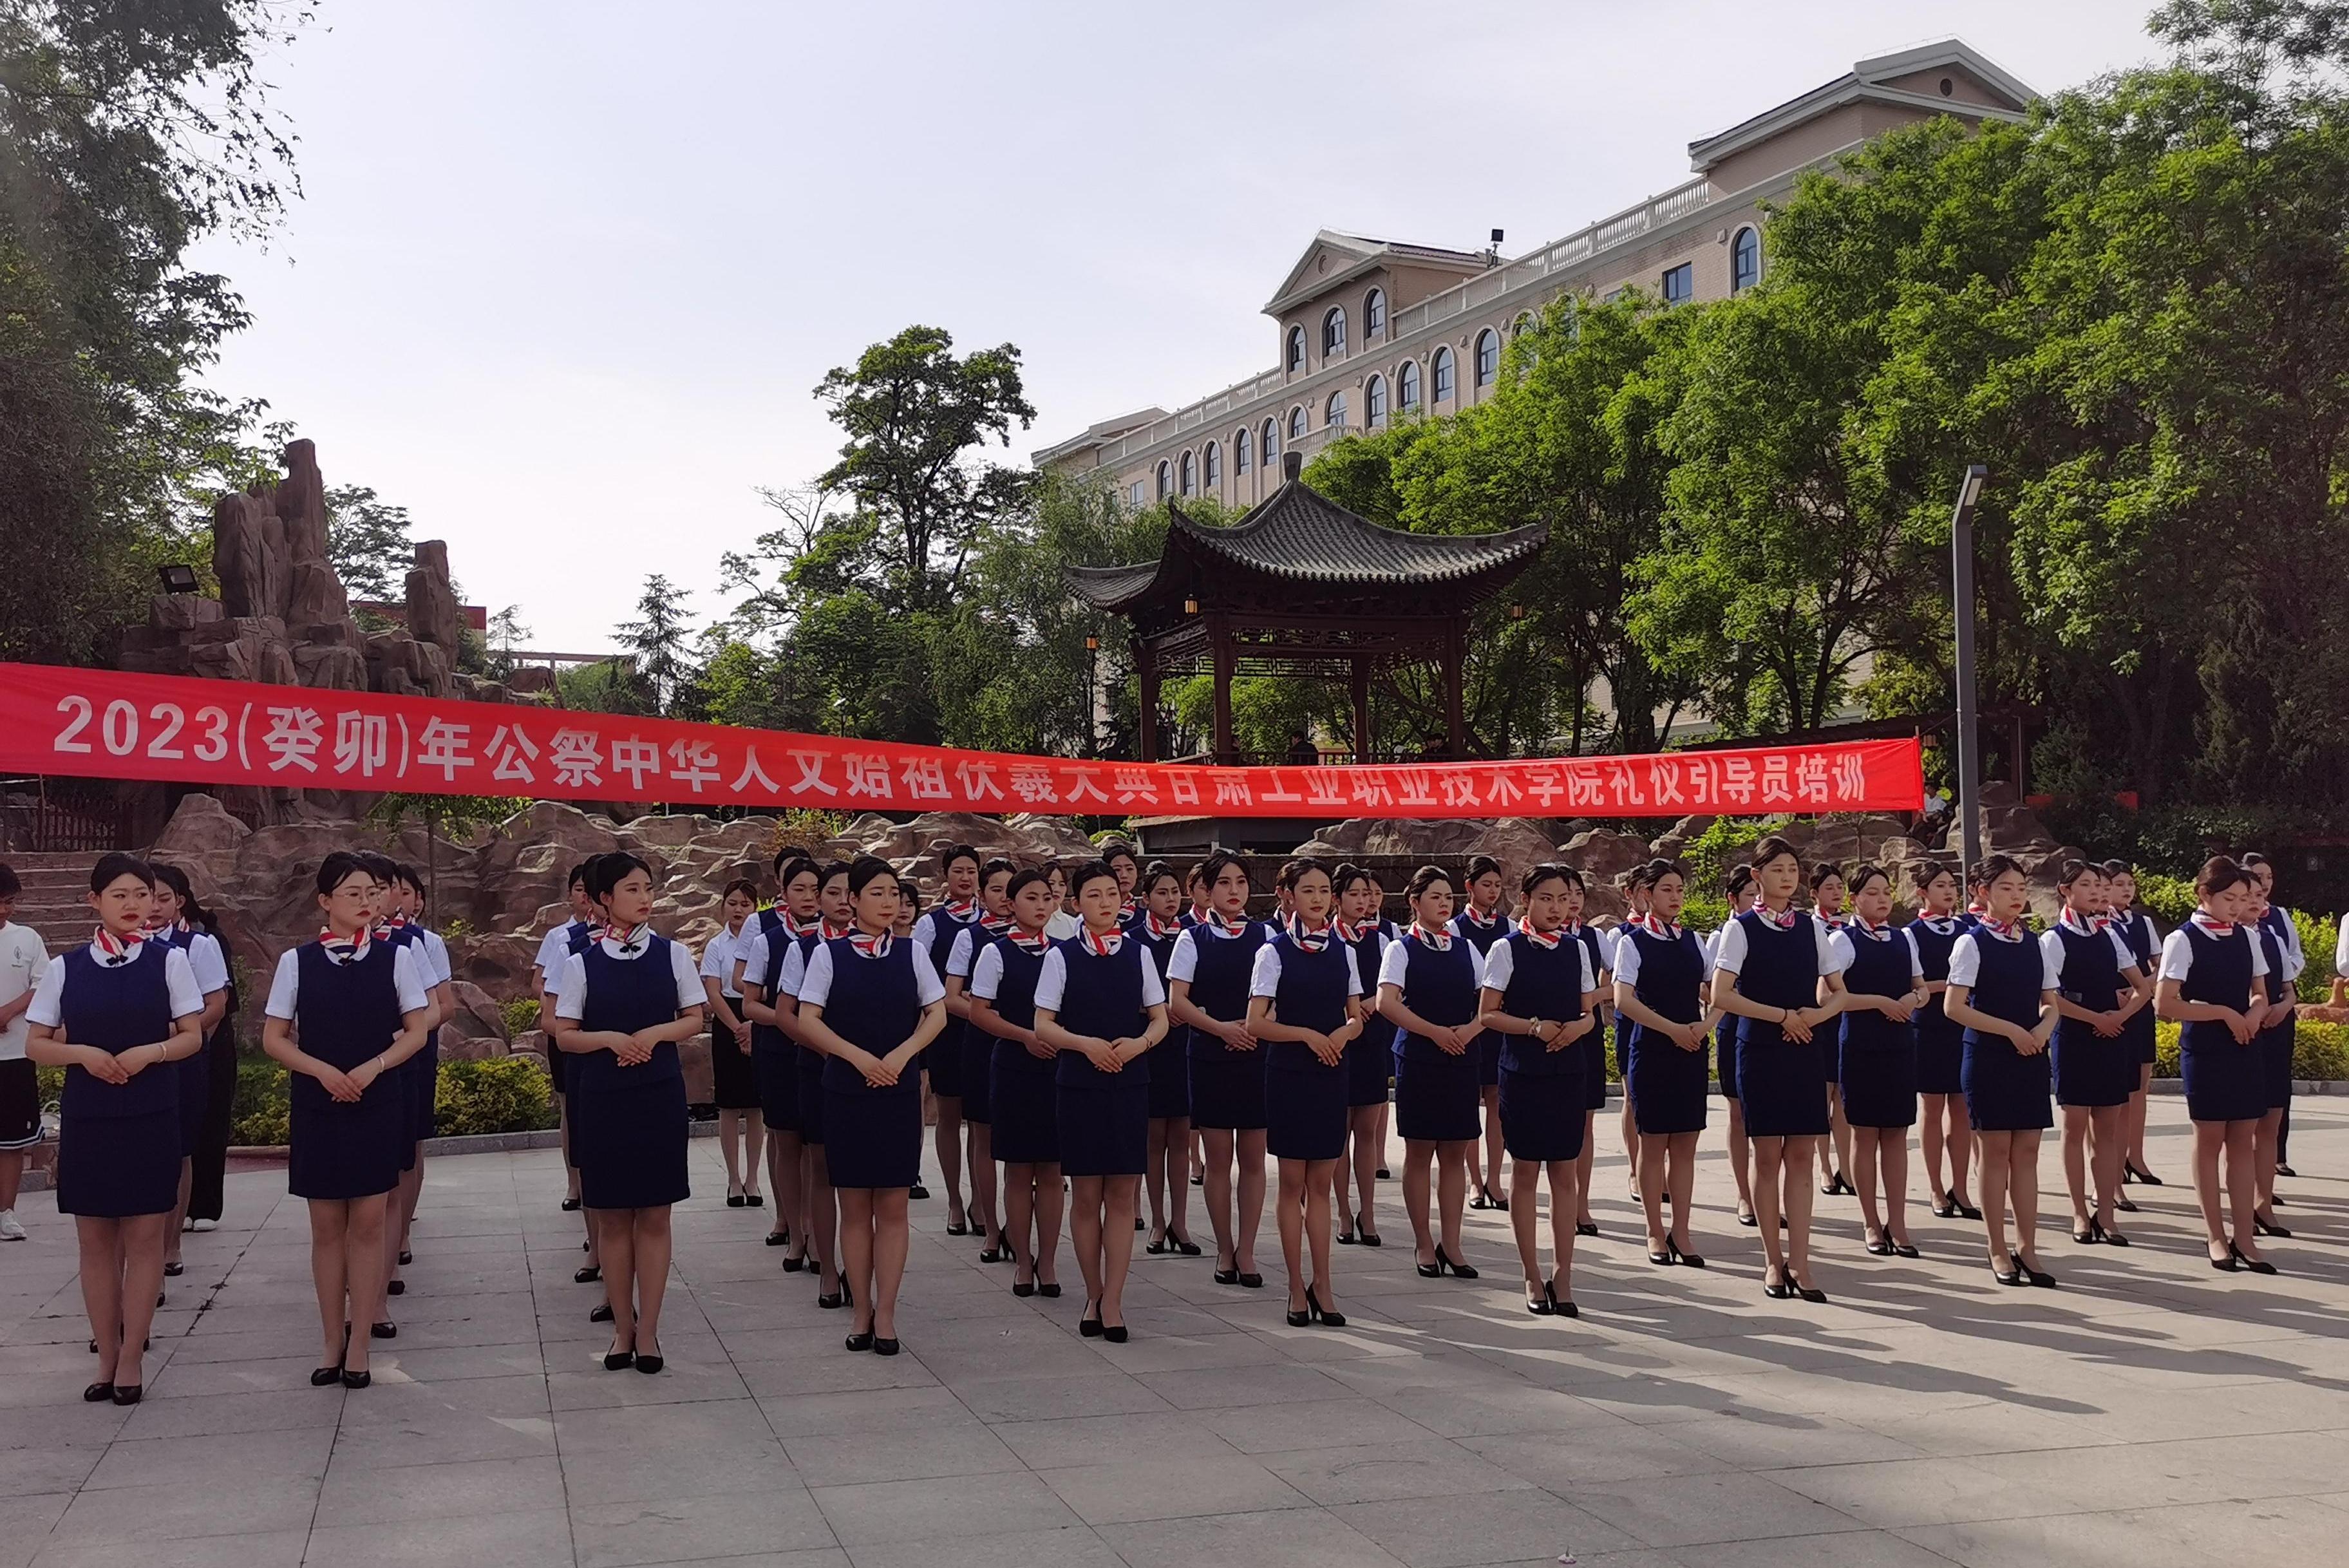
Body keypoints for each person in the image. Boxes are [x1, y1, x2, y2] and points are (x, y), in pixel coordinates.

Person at [25, 854, 205, 1404]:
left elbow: (192, 1035)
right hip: (90, 1116)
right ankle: (105, 1354)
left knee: (146, 1239)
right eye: (120, 895)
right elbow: (36, 1043)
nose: (133, 904)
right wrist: (82, 1053)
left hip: (151, 1113)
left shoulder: (170, 960)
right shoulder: (67, 968)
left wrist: (151, 1052)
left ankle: (132, 1358)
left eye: (141, 894)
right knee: (96, 1241)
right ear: (95, 901)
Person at [259, 851, 432, 1389]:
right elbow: (273, 1037)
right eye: (352, 893)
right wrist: (322, 1071)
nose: (365, 901)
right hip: (319, 1104)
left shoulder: (396, 957)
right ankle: (331, 1340)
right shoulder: (297, 962)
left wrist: (374, 1066)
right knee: (327, 1228)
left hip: (378, 1102)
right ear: (325, 901)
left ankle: (360, 1343)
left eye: (371, 892)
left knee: (370, 1223)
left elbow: (417, 1030)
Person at [551, 852, 705, 1372]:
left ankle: (650, 1332)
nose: (644, 897)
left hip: (658, 1095)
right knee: (614, 1217)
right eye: (632, 889)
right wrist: (612, 1039)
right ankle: (622, 1329)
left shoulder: (673, 954)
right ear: (604, 899)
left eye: (648, 888)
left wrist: (654, 1034)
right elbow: (565, 1034)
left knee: (656, 1215)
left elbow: (693, 1018)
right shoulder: (581, 962)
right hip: (604, 1097)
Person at [795, 857, 947, 1355]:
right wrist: (857, 1057)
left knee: (894, 1206)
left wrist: (903, 1054)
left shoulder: (912, 952)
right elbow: (808, 1018)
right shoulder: (829, 954)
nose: (888, 902)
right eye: (876, 893)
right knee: (855, 1206)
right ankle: (860, 1308)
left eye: (894, 893)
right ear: (853, 900)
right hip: (847, 1090)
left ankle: (886, 1314)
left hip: (898, 1091)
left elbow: (937, 1013)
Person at [1710, 835, 1846, 1301]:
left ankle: (1801, 1262)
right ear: (1757, 875)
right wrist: (1781, 1016)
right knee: (1767, 1157)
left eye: (1792, 869)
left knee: (1802, 1156)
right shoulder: (1740, 928)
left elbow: (1840, 991)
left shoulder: (1810, 928)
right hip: (1762, 1048)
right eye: (1777, 869)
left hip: (1805, 1046)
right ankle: (1772, 1260)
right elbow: (1722, 994)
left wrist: (1813, 1017)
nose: (1787, 877)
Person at [1042, 860, 1168, 1340]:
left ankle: (1113, 1299)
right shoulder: (1060, 956)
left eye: (1111, 894)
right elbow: (1043, 1024)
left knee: (1121, 1194)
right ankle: (1093, 1293)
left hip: (1129, 1082)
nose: (1105, 902)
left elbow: (1159, 1016)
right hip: (1079, 1083)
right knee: (1086, 1195)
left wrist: (1140, 1044)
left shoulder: (1138, 953)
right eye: (1093, 895)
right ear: (1076, 903)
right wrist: (1084, 1045)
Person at [1247, 858, 1361, 1330]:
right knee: (1292, 1183)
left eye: (1324, 890)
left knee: (1323, 1185)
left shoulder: (1344, 950)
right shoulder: (1272, 952)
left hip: (1332, 1071)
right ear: (1288, 896)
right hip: (1290, 1073)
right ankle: (1296, 1285)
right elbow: (1255, 1022)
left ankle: (1323, 1283)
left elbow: (1356, 1015)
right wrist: (1307, 1036)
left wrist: (1344, 1032)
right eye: (1308, 890)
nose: (1318, 898)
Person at [1481, 863, 1600, 1314]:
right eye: (1546, 898)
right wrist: (1534, 1027)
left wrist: (1578, 1028)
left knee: (1565, 1173)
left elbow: (1589, 1013)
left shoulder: (1577, 948)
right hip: (1523, 1072)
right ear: (1526, 900)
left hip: (1569, 1071)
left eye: (1564, 899)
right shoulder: (1506, 948)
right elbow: (1488, 1013)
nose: (1556, 907)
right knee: (1526, 1171)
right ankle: (1531, 1273)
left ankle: (1563, 1273)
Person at [1941, 855, 2059, 1289]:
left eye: (2021, 888)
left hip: (2030, 1056)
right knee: (1994, 1154)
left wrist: (2043, 1029)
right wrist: (2011, 1030)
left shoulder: (2036, 943)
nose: (2017, 896)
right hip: (1990, 1057)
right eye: (2006, 888)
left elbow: (2051, 1002)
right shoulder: (1971, 943)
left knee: (2027, 1154)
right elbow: (1954, 1007)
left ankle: (2028, 1247)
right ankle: (1996, 1247)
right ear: (1983, 892)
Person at [2155, 856, 2276, 1273]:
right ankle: (2215, 1235)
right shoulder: (2183, 939)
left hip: (2244, 1045)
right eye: (2229, 898)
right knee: (2209, 1139)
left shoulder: (2248, 937)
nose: (2238, 906)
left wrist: (2254, 1014)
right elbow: (2165, 1004)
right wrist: (2224, 1013)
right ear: (2204, 895)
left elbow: (2260, 993)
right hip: (2206, 1048)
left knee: (2243, 1139)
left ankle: (2245, 1236)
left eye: (2243, 898)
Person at [1167, 851, 1270, 1289]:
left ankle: (1247, 1249)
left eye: (1241, 882)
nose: (1234, 890)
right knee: (1217, 1159)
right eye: (1224, 883)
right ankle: (1224, 1248)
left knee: (1254, 1158)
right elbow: (1178, 1001)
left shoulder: (1266, 935)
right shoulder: (1191, 939)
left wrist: (1254, 1025)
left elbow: (1279, 991)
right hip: (1210, 1054)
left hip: (1257, 1053)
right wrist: (1221, 1029)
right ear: (1207, 891)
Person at [1378, 865, 1483, 1283]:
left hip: (1462, 1056)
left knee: (1455, 1152)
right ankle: (1424, 1241)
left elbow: (1492, 999)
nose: (1444, 903)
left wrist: (1469, 1030)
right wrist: (1435, 1032)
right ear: (1415, 902)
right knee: (1420, 1152)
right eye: (1435, 896)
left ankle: (1452, 1243)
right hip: (1420, 1057)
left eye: (1448, 897)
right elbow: (1387, 1003)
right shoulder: (1401, 948)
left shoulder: (1466, 948)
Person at [2045, 862, 2152, 1247]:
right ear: (2065, 890)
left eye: (2098, 884)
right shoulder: (2054, 938)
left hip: (2112, 1036)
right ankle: (2079, 1212)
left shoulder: (2110, 934)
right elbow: (2048, 996)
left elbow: (2143, 986)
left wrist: (2119, 1017)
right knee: (2074, 1128)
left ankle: (2106, 1213)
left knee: (2107, 1129)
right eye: (2085, 884)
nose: (2095, 891)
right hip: (2074, 1037)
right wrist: (2095, 1018)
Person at [969, 867, 1065, 1297]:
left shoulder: (1064, 952)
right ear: (1011, 904)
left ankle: (1048, 1261)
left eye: (1047, 897)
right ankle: (1023, 1261)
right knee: (1018, 1169)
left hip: (1058, 1069)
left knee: (1053, 1170)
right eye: (1031, 897)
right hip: (1014, 1067)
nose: (1041, 905)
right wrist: (1026, 1036)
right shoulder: (995, 952)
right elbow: (980, 1012)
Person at [1614, 860, 1714, 1267]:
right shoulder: (1632, 942)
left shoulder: (1694, 940)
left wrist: (1705, 1025)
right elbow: (1623, 999)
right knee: (1653, 1144)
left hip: (1691, 1048)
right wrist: (1671, 1029)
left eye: (1679, 890)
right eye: (1666, 890)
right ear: (1647, 895)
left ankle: (1682, 1231)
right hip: (1653, 1048)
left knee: (1686, 1145)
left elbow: (1719, 991)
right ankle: (1655, 1230)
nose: (1675, 897)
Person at [1825, 865, 1927, 1258]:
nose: (1882, 899)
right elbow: (1826, 996)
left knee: (1897, 1135)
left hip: (1900, 1045)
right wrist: (1879, 1002)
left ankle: (1897, 1223)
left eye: (1886, 891)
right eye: (1872, 892)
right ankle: (1870, 1221)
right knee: (1865, 1135)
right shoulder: (1843, 940)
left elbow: (1922, 988)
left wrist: (1912, 999)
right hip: (1861, 1046)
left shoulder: (1904, 938)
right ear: (1855, 899)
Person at [144, 864, 229, 1276]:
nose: (153, 907)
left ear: (179, 901)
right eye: (146, 897)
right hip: (135, 1063)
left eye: (163, 898)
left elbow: (217, 1005)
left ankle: (171, 1244)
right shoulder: (118, 949)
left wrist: (185, 1035)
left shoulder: (197, 945)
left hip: (183, 1060)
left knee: (179, 1150)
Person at [737, 855, 821, 1261]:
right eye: (799, 889)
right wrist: (789, 1021)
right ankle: (791, 1226)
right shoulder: (766, 939)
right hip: (778, 1051)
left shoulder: (834, 941)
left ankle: (815, 1229)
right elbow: (750, 1004)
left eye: (815, 889)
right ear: (783, 894)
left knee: (816, 1146)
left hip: (819, 1052)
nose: (809, 897)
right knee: (786, 1141)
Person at [379, 860, 455, 1304]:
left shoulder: (419, 944)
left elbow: (442, 1006)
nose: (380, 898)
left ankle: (399, 1233)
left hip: (412, 1056)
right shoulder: (318, 955)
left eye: (390, 889)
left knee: (408, 1148)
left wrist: (404, 1035)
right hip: (357, 1070)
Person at [784, 864, 855, 1305]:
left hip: (875, 1075)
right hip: (821, 1069)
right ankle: (828, 1267)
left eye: (850, 892)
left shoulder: (893, 950)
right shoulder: (805, 947)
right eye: (833, 893)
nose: (843, 901)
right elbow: (787, 1013)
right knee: (824, 1169)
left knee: (867, 1179)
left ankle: (864, 1268)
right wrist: (832, 1052)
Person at [944, 856, 1017, 1260]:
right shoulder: (969, 938)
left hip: (1030, 1047)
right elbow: (951, 996)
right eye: (996, 890)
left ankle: (1020, 1228)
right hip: (982, 1044)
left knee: (1026, 1145)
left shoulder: (1048, 942)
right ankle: (989, 1224)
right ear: (982, 894)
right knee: (983, 1136)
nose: (1005, 898)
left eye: (1011, 890)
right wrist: (987, 1012)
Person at [912, 845, 983, 1235]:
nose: (966, 878)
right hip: (947, 1029)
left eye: (972, 871)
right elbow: (919, 977)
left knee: (981, 1122)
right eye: (959, 870)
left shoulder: (991, 922)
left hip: (987, 1031)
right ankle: (955, 1201)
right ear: (946, 875)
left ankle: (980, 1201)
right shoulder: (931, 924)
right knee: (950, 1115)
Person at [1133, 862, 1200, 1256]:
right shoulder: (1134, 941)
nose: (1171, 899)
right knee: (1153, 1138)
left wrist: (1192, 1010)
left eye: (1175, 892)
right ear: (1145, 899)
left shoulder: (1192, 937)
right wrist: (1154, 1011)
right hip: (1151, 1046)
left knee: (1182, 1137)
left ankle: (1181, 1222)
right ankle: (1158, 1222)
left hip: (1186, 1043)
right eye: (1162, 892)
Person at [1909, 863, 1981, 1223]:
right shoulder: (1911, 934)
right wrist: (1945, 986)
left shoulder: (1969, 931)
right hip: (1928, 1027)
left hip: (1963, 1026)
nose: (1949, 891)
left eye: (1952, 885)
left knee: (1963, 1109)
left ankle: (1961, 1187)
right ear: (1922, 892)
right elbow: (1911, 985)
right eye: (1940, 885)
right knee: (1933, 1106)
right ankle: (1936, 1187)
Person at [534, 862, 598, 1222]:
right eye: (580, 889)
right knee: (569, 1110)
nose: (586, 897)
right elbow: (543, 987)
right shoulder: (563, 940)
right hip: (567, 1037)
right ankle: (575, 1183)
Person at [2240, 853, 2301, 1231]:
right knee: (2241, 1125)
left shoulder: (2273, 936)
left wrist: (2283, 1007)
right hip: (2242, 1034)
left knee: (2271, 1118)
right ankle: (2241, 1201)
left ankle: (2264, 1201)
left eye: (2259, 895)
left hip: (2277, 1028)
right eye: (2245, 896)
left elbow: (2289, 987)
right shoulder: (2222, 939)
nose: (2255, 900)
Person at [1332, 863, 1388, 1247]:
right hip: (1337, 1040)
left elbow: (1395, 987)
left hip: (1372, 1040)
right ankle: (1342, 1211)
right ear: (1337, 899)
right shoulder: (1325, 939)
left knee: (1366, 1131)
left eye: (1366, 894)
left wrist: (1372, 1002)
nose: (1362, 901)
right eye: (1354, 894)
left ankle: (1368, 1211)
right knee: (1339, 1132)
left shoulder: (1381, 939)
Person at [701, 878, 766, 1209]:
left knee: (756, 1106)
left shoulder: (763, 942)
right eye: (733, 903)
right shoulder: (716, 945)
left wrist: (752, 1026)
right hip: (728, 1022)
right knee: (728, 1106)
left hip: (759, 1018)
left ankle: (753, 1178)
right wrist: (739, 1028)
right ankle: (733, 1180)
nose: (739, 909)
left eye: (745, 904)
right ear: (723, 905)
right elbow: (713, 992)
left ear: (755, 908)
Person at [1451, 855, 1510, 1212]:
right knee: (1470, 1106)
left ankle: (1495, 1179)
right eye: (1486, 884)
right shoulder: (1455, 929)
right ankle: (1474, 1179)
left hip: (1500, 1026)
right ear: (1469, 887)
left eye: (1498, 885)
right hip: (1470, 1026)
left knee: (1498, 1106)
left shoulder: (1510, 927)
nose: (1493, 891)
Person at [2103, 862, 2164, 1193]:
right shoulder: (2099, 924)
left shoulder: (2143, 922)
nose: (2126, 889)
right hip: (2111, 1010)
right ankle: (2112, 1168)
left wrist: (2142, 987)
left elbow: (2160, 966)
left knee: (2140, 1086)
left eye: (2130, 883)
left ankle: (2135, 1157)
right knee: (2117, 1091)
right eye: (2118, 884)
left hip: (2139, 1008)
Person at [0, 864, 47, 1243]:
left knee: (12, 1140)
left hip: (15, 1053)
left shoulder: (27, 939)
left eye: (10, 902)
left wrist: (7, 1012)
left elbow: (42, 984)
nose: (4, 910)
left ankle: (7, 1212)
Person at [1563, 875, 1611, 1236]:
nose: (1572, 901)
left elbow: (1622, 981)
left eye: (1578, 894)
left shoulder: (1595, 938)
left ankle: (1581, 1203)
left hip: (1587, 1034)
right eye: (1565, 895)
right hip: (1546, 1036)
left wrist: (1594, 996)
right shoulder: (1523, 940)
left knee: (1585, 1122)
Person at [1713, 864, 1760, 1226]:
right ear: (1733, 899)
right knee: (1738, 1112)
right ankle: (1744, 1193)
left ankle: (1767, 1192)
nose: (1757, 901)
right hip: (1732, 1026)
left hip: (1768, 1028)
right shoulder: (1722, 936)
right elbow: (1709, 988)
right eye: (1750, 895)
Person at [1809, 863, 1854, 1198]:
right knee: (1822, 1095)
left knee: (1844, 1097)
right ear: (1814, 894)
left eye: (1840, 886)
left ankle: (1847, 1168)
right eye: (1829, 887)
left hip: (1845, 1015)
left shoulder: (1851, 927)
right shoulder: (1809, 927)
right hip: (1819, 1016)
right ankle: (1824, 1166)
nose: (1837, 892)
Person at [1044, 862, 1081, 942]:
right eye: (1051, 883)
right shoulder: (1028, 921)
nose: (1057, 889)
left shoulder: (1074, 925)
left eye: (1062, 884)